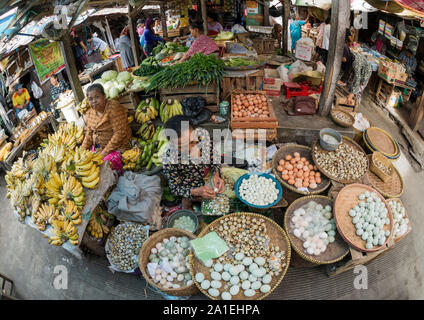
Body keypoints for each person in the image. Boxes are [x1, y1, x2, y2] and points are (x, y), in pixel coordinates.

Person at [162, 115, 225, 210]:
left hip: (207, 175)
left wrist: (216, 174)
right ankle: (189, 200)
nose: (190, 149)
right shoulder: (170, 159)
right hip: (190, 186)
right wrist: (195, 192)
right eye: (181, 146)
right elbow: (175, 188)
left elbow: (214, 158)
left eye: (191, 142)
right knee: (188, 204)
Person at [81, 84, 132, 157]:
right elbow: (89, 132)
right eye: (90, 99)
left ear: (104, 96)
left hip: (119, 147)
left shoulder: (113, 107)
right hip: (101, 149)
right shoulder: (91, 111)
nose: (94, 101)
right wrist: (82, 150)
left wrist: (104, 152)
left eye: (97, 97)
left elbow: (120, 133)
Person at [340, 39, 372, 106]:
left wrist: (352, 94)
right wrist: (340, 80)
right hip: (357, 69)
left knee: (358, 91)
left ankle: (355, 106)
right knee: (349, 84)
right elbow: (343, 70)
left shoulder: (355, 62)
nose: (341, 58)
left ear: (345, 55)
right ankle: (347, 101)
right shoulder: (349, 57)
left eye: (342, 57)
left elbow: (358, 79)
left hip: (365, 72)